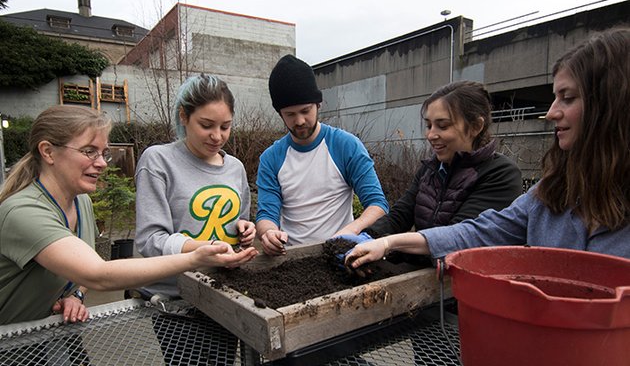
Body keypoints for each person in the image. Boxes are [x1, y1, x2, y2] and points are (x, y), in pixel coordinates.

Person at [345, 27, 630, 270]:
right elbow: (473, 231)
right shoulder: (551, 191)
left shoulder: (500, 174)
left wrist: (389, 250)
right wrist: (374, 238)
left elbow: (467, 241)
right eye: (428, 125)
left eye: (567, 98)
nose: (552, 112)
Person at [0, 105, 258, 326]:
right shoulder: (23, 212)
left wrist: (74, 294)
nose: (102, 163)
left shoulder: (81, 203)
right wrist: (195, 258)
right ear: (47, 152)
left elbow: (80, 274)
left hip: (44, 337)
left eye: (103, 153)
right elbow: (97, 274)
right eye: (89, 151)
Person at [133, 73, 256, 364]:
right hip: (176, 302)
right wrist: (202, 249)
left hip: (225, 293)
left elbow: (238, 221)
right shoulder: (158, 161)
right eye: (206, 125)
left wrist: (244, 229)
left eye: (225, 126)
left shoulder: (235, 167)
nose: (217, 136)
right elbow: (151, 241)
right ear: (183, 116)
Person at [361, 80, 522, 249]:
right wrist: (365, 237)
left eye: (442, 126)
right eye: (429, 125)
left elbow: (455, 238)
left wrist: (387, 246)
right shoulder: (430, 169)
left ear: (476, 126)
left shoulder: (501, 174)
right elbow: (400, 215)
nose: (431, 135)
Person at [256, 54, 390, 255]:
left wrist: (349, 233)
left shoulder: (345, 145)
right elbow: (267, 214)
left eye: (305, 110)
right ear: (280, 113)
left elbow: (378, 205)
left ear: (319, 104)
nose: (300, 120)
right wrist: (268, 233)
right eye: (290, 115)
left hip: (340, 254)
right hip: (291, 258)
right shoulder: (271, 158)